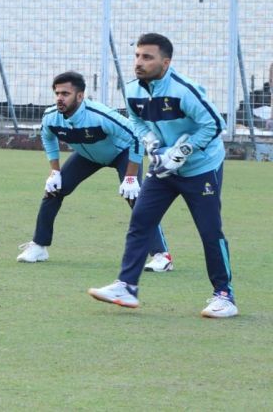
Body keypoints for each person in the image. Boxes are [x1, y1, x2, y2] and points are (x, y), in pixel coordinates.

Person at [88, 33, 236, 318]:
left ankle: (224, 296)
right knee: (140, 221)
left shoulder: (185, 90)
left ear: (165, 62)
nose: (139, 63)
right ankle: (127, 287)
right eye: (137, 56)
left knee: (209, 231)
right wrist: (152, 144)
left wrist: (182, 151)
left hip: (200, 168)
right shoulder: (132, 90)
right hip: (162, 168)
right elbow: (136, 121)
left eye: (147, 57)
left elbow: (215, 125)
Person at [17, 71, 172, 270]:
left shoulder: (100, 115)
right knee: (54, 190)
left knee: (135, 198)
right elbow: (48, 138)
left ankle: (161, 256)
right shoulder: (51, 117)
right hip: (88, 156)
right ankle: (39, 246)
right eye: (57, 93)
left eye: (65, 94)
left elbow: (136, 137)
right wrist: (54, 171)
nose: (59, 98)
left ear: (80, 96)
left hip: (122, 153)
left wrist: (131, 177)